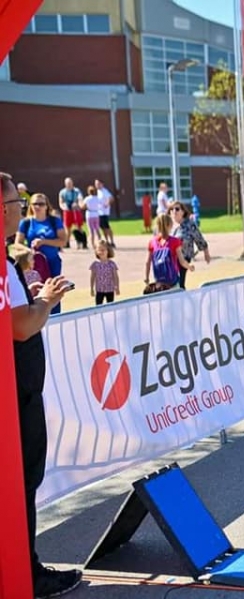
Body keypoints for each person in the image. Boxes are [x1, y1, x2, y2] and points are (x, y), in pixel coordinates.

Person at [2, 172, 83, 598]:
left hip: (18, 390)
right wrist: (47, 301)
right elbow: (21, 326)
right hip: (16, 395)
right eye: (18, 204)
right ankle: (27, 573)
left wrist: (34, 297)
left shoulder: (7, 262)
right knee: (21, 484)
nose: (23, 209)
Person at [16, 193, 67, 314]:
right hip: (33, 264)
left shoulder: (54, 221)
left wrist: (44, 241)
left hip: (52, 262)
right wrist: (29, 251)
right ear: (30, 206)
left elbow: (63, 241)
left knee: (53, 291)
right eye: (35, 204)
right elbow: (17, 243)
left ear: (47, 206)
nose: (38, 207)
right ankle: (35, 317)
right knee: (35, 290)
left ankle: (55, 316)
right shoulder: (26, 223)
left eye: (41, 204)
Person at [144, 213, 192, 290]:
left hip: (159, 283)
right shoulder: (175, 241)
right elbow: (182, 261)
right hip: (172, 282)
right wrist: (190, 267)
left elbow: (147, 263)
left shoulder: (152, 243)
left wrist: (146, 278)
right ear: (170, 225)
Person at [169, 200, 209, 289]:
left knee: (180, 283)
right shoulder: (171, 226)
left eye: (177, 209)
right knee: (172, 284)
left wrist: (206, 253)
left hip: (184, 257)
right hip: (171, 259)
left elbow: (199, 238)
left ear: (183, 212)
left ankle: (181, 295)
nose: (174, 211)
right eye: (172, 209)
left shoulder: (190, 224)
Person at [89, 240, 119, 305]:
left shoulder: (112, 264)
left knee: (110, 305)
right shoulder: (95, 264)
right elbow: (92, 277)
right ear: (96, 251)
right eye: (99, 250)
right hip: (99, 290)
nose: (101, 252)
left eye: (103, 250)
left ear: (108, 251)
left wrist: (117, 287)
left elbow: (115, 276)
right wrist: (91, 288)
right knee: (98, 306)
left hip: (110, 289)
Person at [57, 177, 84, 246]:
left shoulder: (77, 191)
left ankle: (82, 241)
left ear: (72, 183)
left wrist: (79, 204)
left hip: (76, 210)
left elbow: (80, 198)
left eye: (70, 183)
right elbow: (61, 202)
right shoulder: (62, 192)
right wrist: (64, 207)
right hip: (67, 211)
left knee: (79, 226)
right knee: (67, 227)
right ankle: (67, 242)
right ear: (65, 184)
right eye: (67, 183)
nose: (69, 184)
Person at [80, 185, 103, 249]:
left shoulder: (87, 198)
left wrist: (80, 203)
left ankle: (93, 244)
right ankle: (100, 243)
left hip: (90, 214)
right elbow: (101, 204)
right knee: (97, 229)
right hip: (96, 214)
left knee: (91, 231)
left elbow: (82, 206)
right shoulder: (97, 198)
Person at [94, 179, 116, 248]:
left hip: (104, 212)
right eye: (96, 184)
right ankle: (107, 241)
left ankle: (112, 241)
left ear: (102, 184)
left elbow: (111, 198)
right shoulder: (97, 192)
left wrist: (107, 203)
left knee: (107, 227)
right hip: (99, 213)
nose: (96, 185)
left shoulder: (104, 191)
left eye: (98, 184)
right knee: (103, 228)